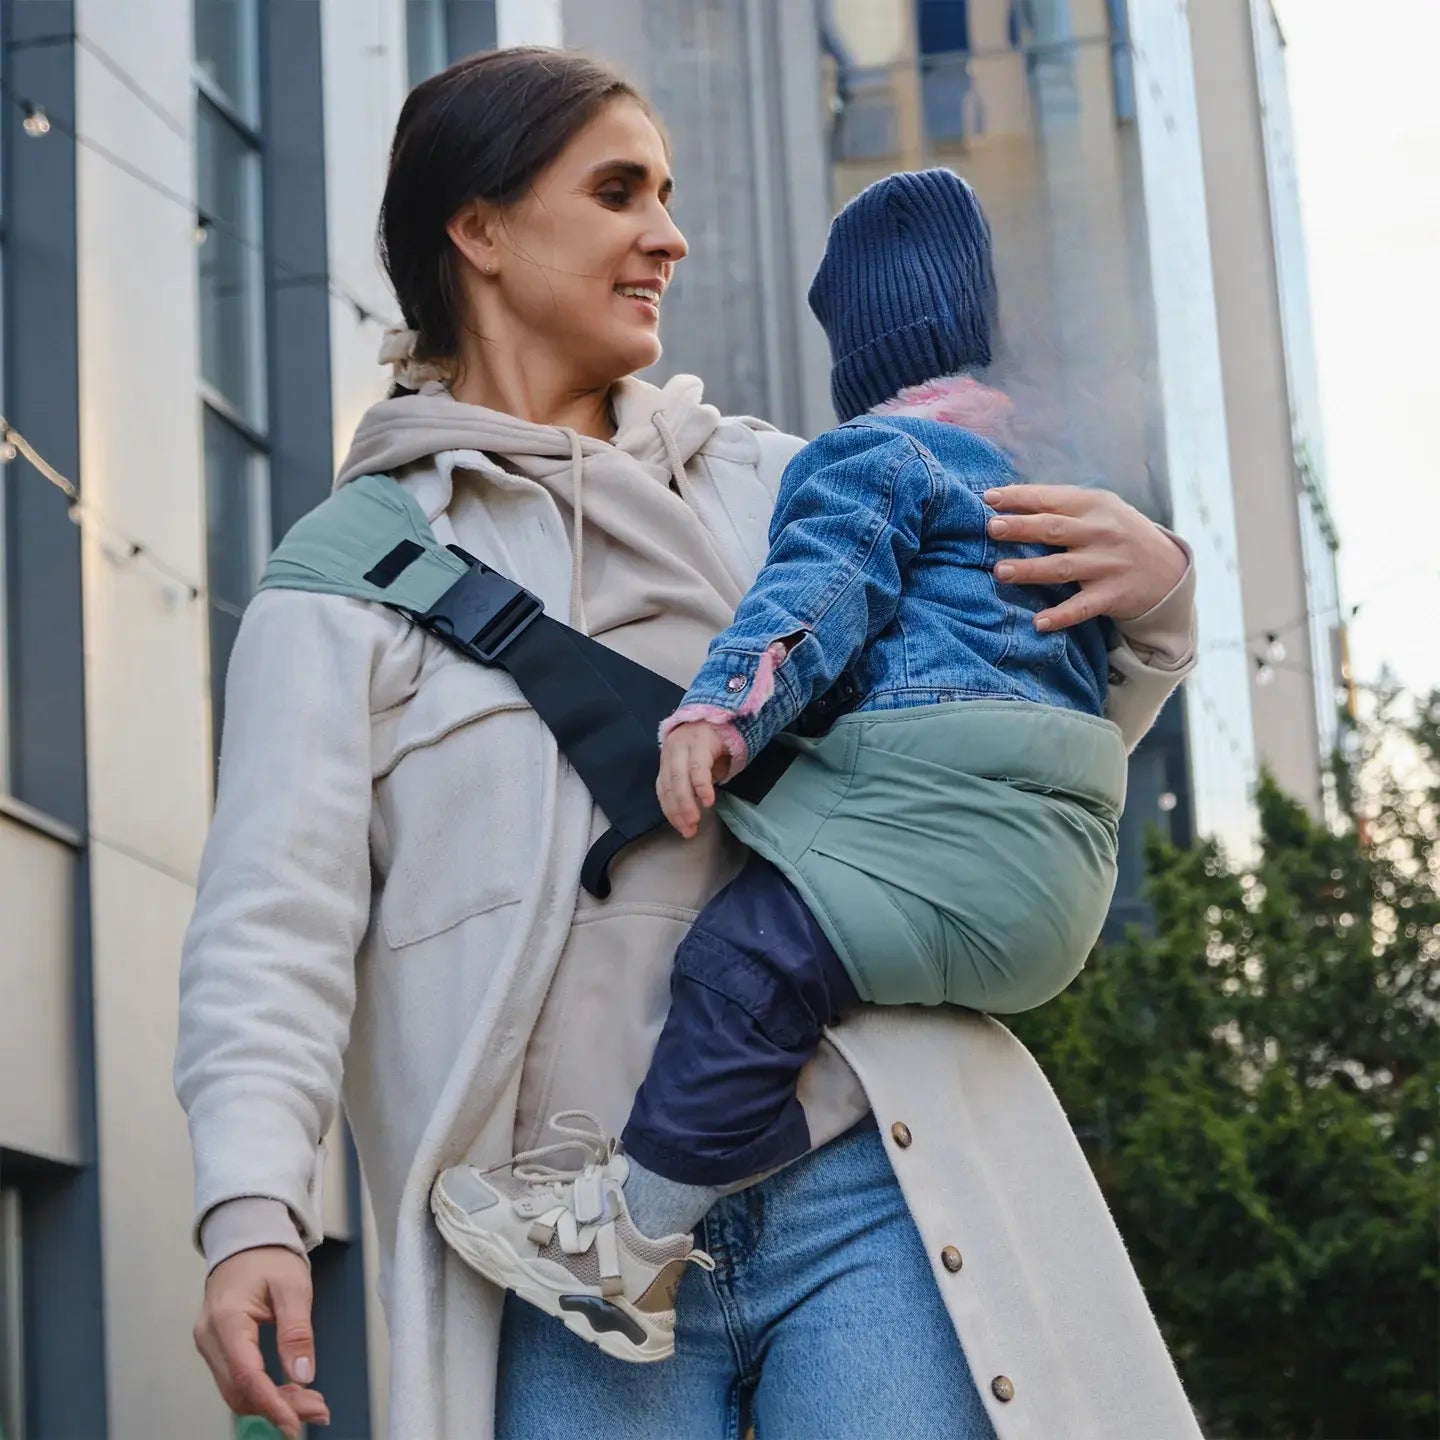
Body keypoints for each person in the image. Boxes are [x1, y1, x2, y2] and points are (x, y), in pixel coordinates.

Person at [176, 46, 1204, 1440]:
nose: (668, 234)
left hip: (865, 1187)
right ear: (475, 229)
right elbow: (270, 931)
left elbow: (985, 760)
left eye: (666, 192)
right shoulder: (340, 582)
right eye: (617, 193)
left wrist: (1149, 610)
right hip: (563, 1253)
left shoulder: (794, 486)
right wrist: (252, 1209)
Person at [429, 168, 1130, 1362]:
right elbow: (1086, 668)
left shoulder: (875, 455)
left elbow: (816, 597)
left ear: (856, 352)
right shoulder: (1047, 483)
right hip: (1061, 888)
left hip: (933, 813)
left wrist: (722, 712)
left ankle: (632, 1237)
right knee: (814, 957)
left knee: (747, 966)